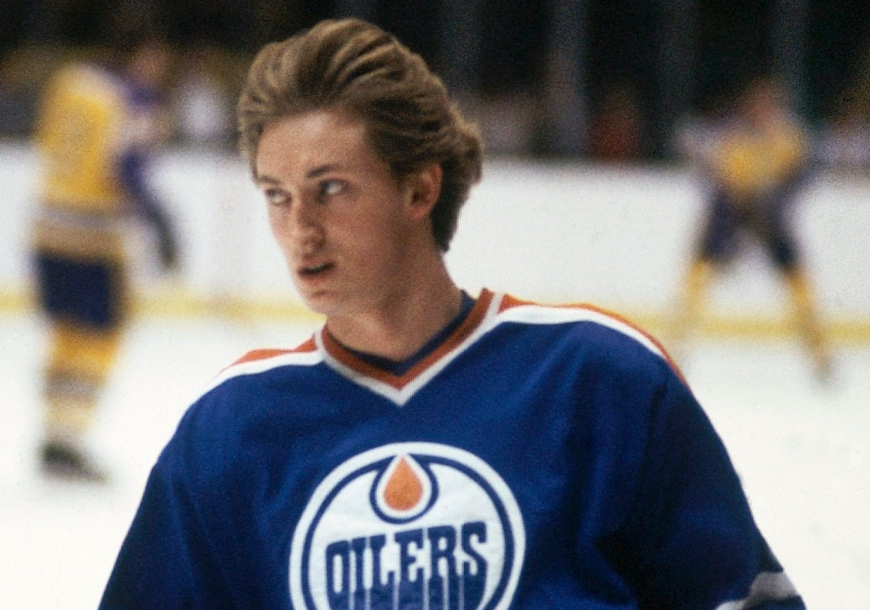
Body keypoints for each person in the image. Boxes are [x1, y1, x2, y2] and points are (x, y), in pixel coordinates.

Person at [100, 19, 804, 608]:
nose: (300, 229)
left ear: (419, 188)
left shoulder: (598, 379)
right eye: (277, 196)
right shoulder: (229, 432)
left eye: (332, 188)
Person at [32, 27, 179, 482]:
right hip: (95, 236)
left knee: (65, 334)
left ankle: (53, 430)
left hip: (48, 229)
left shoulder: (70, 83)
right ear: (144, 55)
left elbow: (46, 143)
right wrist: (160, 220)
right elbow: (126, 166)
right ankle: (70, 438)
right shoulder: (135, 99)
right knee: (101, 337)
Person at [668, 77, 833, 381]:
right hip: (730, 211)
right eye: (759, 106)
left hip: (769, 214)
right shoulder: (733, 137)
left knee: (797, 278)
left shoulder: (787, 137)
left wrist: (777, 199)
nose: (763, 112)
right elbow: (715, 176)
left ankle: (819, 353)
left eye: (769, 106)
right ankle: (675, 348)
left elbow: (804, 173)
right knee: (698, 275)